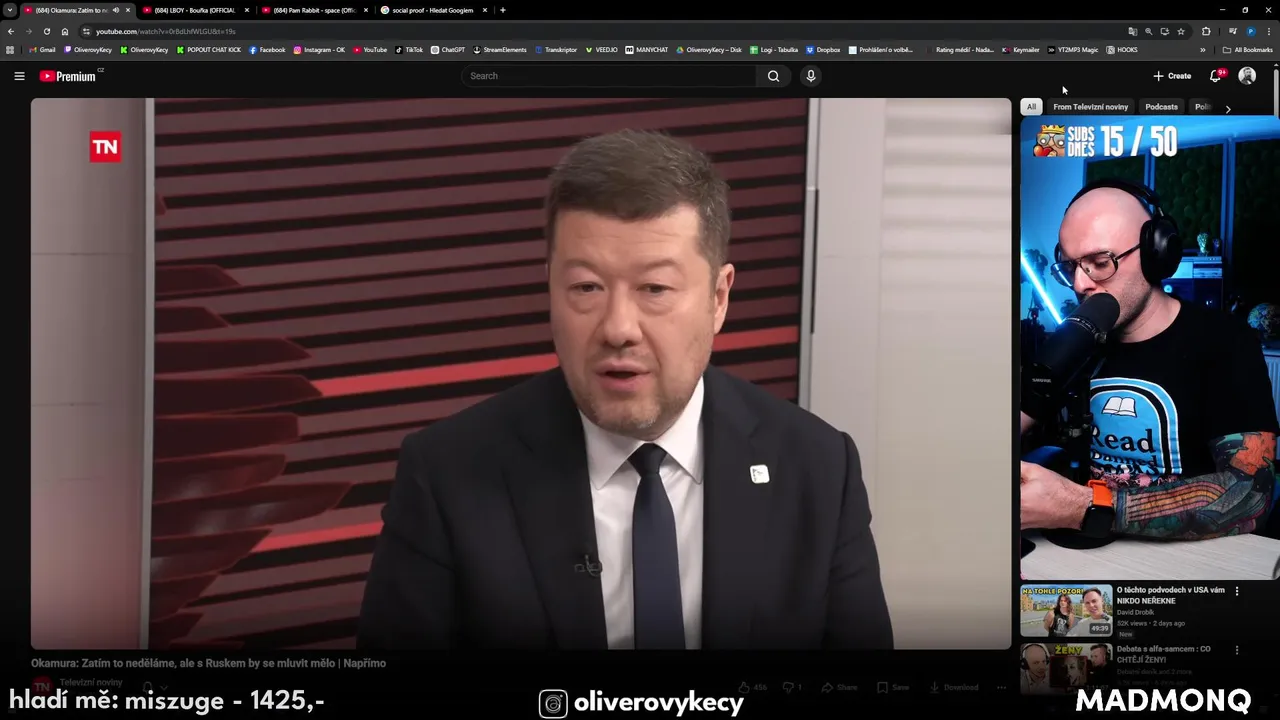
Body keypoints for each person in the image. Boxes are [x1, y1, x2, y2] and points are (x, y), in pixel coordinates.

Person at [356, 129, 892, 650]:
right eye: (586, 287)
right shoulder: (447, 475)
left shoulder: (818, 468)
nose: (618, 328)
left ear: (718, 298)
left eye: (654, 288)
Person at [1020, 180, 1278, 541]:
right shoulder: (1075, 342)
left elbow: (1250, 494)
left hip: (1192, 557)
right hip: (1094, 552)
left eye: (1099, 263)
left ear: (1155, 253)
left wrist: (1085, 507)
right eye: (1070, 266)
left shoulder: (1226, 341)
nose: (1079, 284)